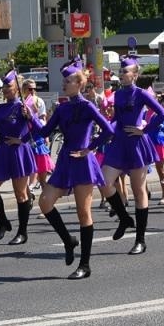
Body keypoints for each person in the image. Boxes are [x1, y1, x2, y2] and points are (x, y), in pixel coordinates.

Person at [36, 59, 116, 280]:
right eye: (64, 80)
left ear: (79, 84)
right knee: (45, 201)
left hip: (83, 162)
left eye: (68, 80)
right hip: (64, 162)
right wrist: (30, 117)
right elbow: (44, 132)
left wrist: (89, 148)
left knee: (83, 213)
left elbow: (109, 130)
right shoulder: (62, 108)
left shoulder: (88, 106)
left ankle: (85, 264)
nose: (64, 84)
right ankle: (68, 240)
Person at [98, 54, 164, 255]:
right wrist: (104, 130)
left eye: (125, 71)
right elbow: (116, 119)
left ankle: (140, 240)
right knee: (104, 181)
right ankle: (124, 218)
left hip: (137, 143)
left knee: (138, 191)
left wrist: (145, 129)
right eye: (120, 71)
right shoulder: (118, 94)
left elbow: (163, 114)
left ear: (135, 75)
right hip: (118, 143)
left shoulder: (141, 94)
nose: (121, 74)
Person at [0, 69, 38, 244]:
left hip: (18, 152)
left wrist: (22, 140)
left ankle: (22, 232)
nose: (5, 89)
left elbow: (39, 130)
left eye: (9, 86)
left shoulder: (23, 107)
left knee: (21, 194)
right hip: (1, 152)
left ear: (17, 88)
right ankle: (4, 222)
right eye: (4, 86)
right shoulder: (0, 108)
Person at [22, 78, 54, 193]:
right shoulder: (20, 102)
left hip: (37, 134)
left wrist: (46, 136)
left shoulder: (39, 101)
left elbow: (43, 118)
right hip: (25, 136)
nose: (33, 91)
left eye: (35, 89)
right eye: (30, 89)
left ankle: (40, 188)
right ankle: (30, 187)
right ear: (24, 89)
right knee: (29, 165)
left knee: (41, 165)